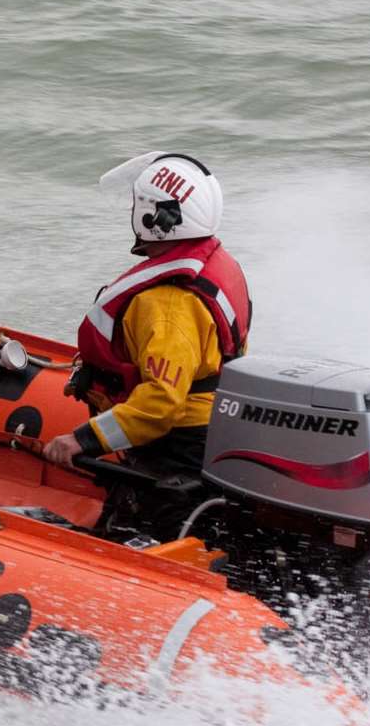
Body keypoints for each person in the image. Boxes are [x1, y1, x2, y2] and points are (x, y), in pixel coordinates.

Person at [42, 152, 252, 543]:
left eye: (137, 204)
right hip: (211, 428)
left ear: (155, 217)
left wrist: (82, 439)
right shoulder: (212, 264)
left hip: (179, 448)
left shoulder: (167, 304)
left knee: (128, 538)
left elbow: (160, 404)